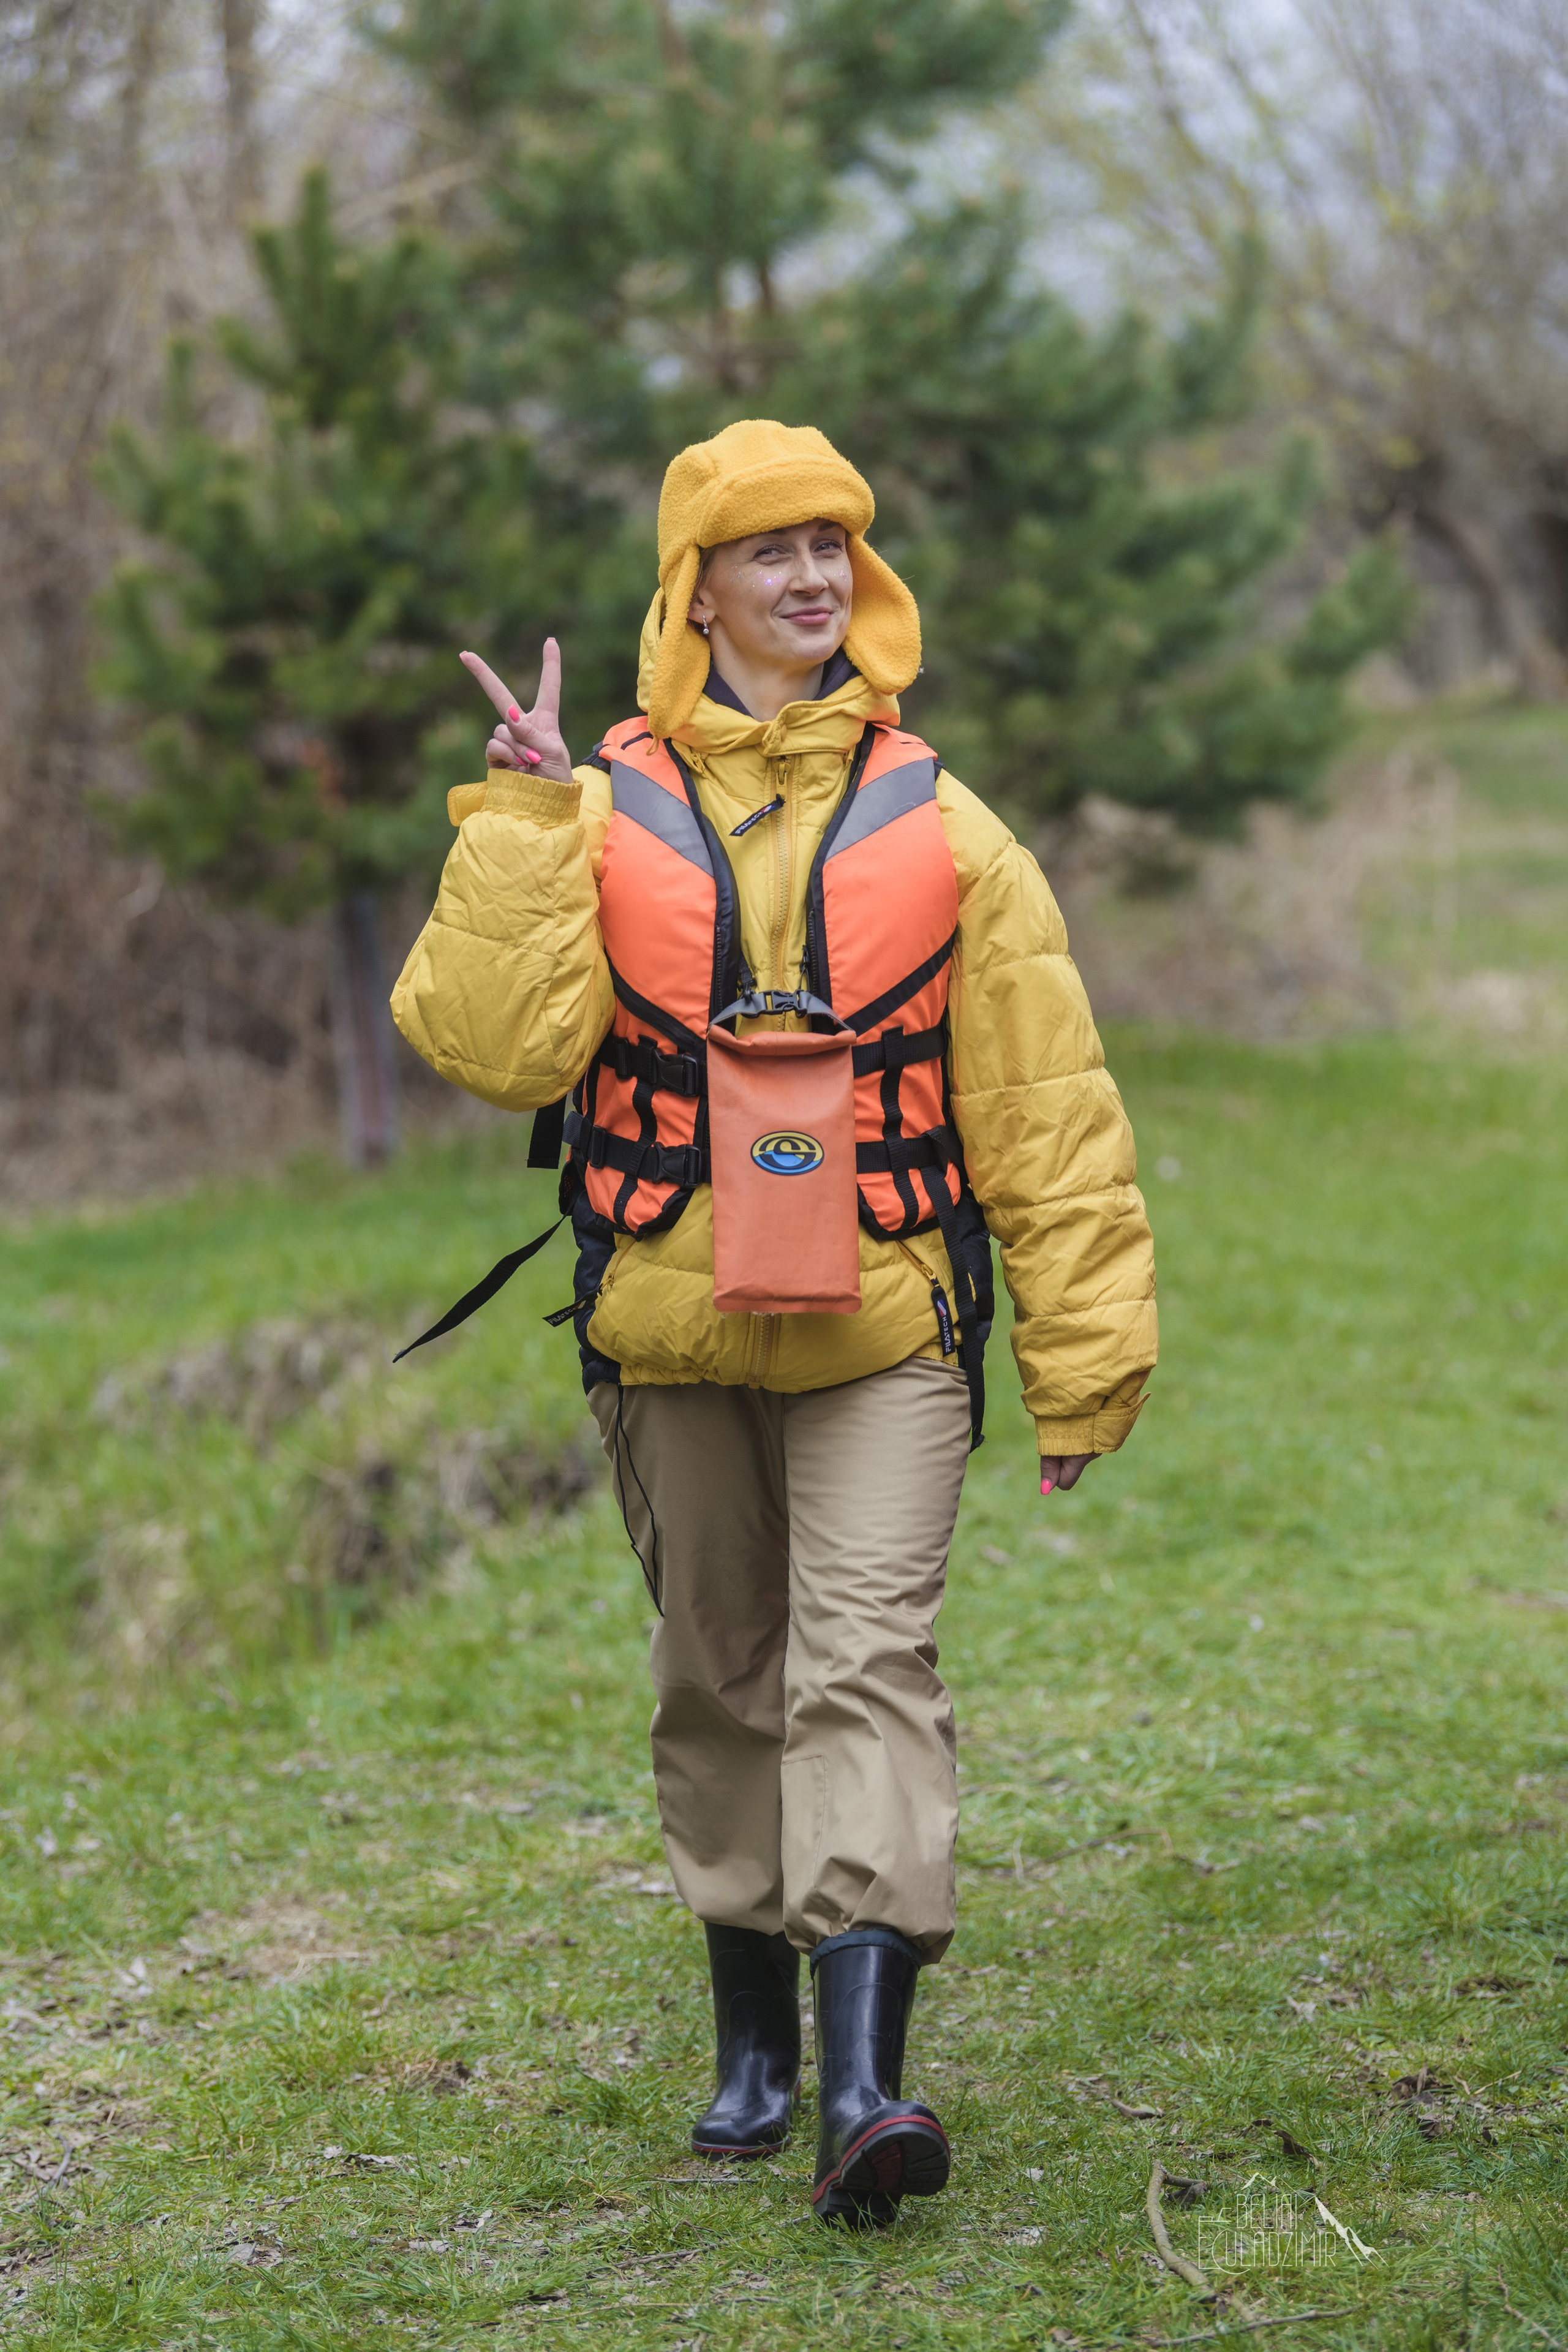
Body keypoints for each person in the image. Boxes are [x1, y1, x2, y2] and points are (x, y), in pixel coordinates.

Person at [391, 419, 1156, 2228]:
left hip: (887, 1322)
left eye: (836, 547)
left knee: (865, 1661)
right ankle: (752, 2038)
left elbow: (1047, 1107)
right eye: (772, 552)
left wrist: (1085, 1350)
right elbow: (493, 1050)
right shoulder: (586, 814)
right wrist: (519, 812)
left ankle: (868, 2084)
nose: (813, 578)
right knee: (717, 1678)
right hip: (665, 1324)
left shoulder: (949, 829)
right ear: (699, 588)